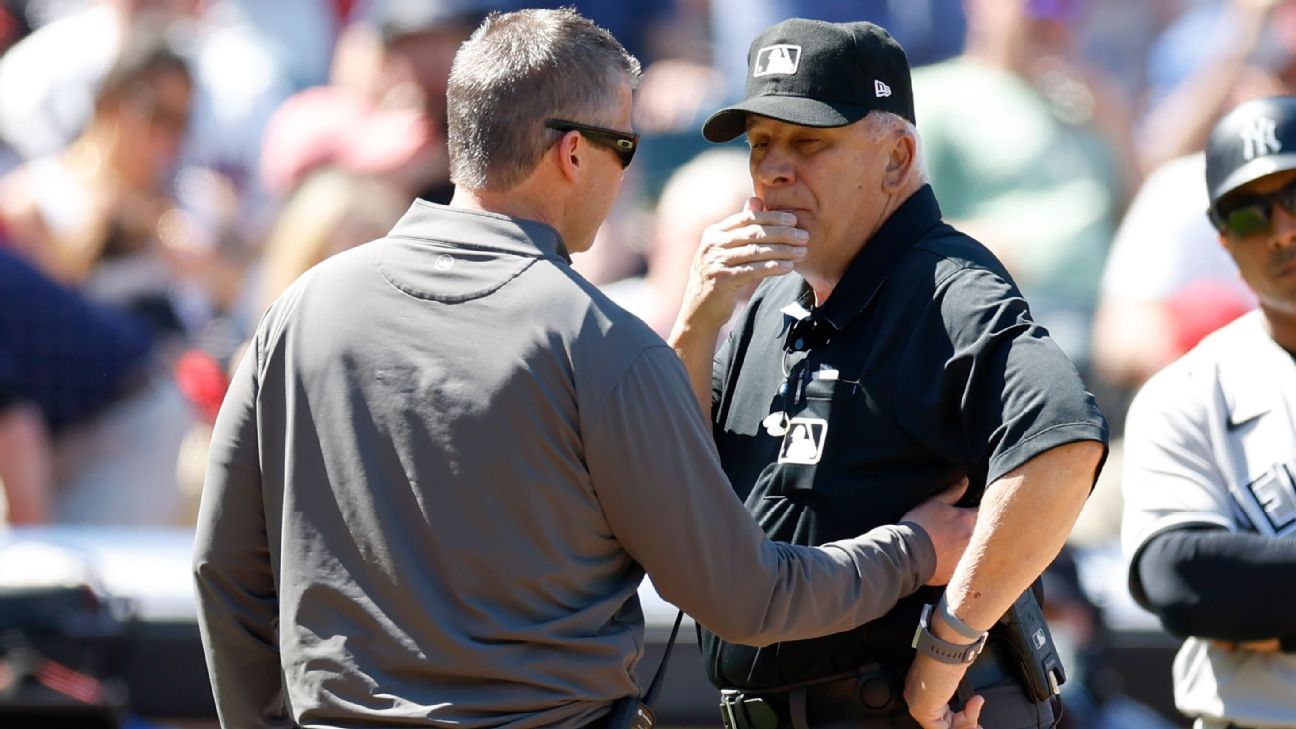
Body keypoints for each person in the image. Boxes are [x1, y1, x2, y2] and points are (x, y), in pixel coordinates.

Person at [192, 9, 978, 729]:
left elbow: (224, 570)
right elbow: (746, 597)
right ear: (573, 153)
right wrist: (912, 549)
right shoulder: (599, 343)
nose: (627, 177)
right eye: (624, 147)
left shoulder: (297, 311)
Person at [668, 18, 1109, 729]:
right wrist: (695, 323)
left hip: (909, 709)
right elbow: (673, 491)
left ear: (897, 158)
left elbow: (1064, 441)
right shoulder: (767, 299)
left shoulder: (945, 286)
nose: (774, 168)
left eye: (809, 141)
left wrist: (948, 646)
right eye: (760, 145)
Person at [1121, 94, 1296, 729]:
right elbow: (1184, 579)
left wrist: (1267, 607)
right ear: (1223, 239)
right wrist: (1227, 595)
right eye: (1250, 216)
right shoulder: (1186, 392)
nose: (1282, 230)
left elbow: (1233, 584)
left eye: (1295, 195)